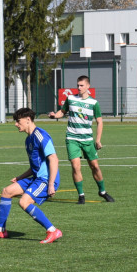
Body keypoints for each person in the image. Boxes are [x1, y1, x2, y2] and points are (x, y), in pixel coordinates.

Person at [0, 107, 64, 244]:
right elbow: (35, 167)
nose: (15, 124)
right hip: (36, 178)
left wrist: (51, 184)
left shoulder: (41, 136)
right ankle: (0, 230)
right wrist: (20, 177)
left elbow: (54, 159)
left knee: (24, 202)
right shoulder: (28, 140)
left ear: (28, 120)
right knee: (7, 191)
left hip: (45, 179)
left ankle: (52, 230)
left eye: (17, 121)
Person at [48, 75, 115, 204]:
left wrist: (98, 140)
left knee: (95, 166)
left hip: (88, 139)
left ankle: (102, 192)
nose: (79, 87)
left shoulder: (94, 103)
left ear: (88, 86)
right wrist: (54, 115)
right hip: (72, 138)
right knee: (75, 166)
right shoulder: (71, 99)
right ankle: (81, 195)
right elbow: (62, 112)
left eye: (81, 85)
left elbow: (100, 122)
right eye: (78, 85)